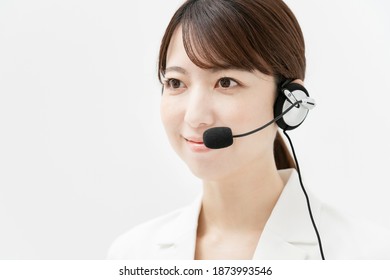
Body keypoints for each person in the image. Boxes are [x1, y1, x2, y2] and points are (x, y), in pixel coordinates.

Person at [108, 0, 390, 260]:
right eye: (175, 83)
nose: (195, 117)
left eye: (226, 82)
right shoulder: (132, 254)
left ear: (289, 102)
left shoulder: (368, 255)